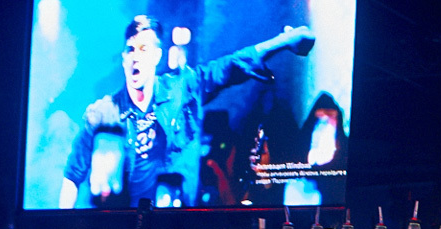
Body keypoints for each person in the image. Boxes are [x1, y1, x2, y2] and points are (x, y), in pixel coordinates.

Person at [58, 15, 317, 208]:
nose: (136, 56)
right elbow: (72, 177)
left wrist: (283, 42)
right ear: (124, 58)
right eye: (130, 50)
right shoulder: (103, 113)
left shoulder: (183, 88)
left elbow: (231, 66)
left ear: (157, 56)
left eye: (144, 49)